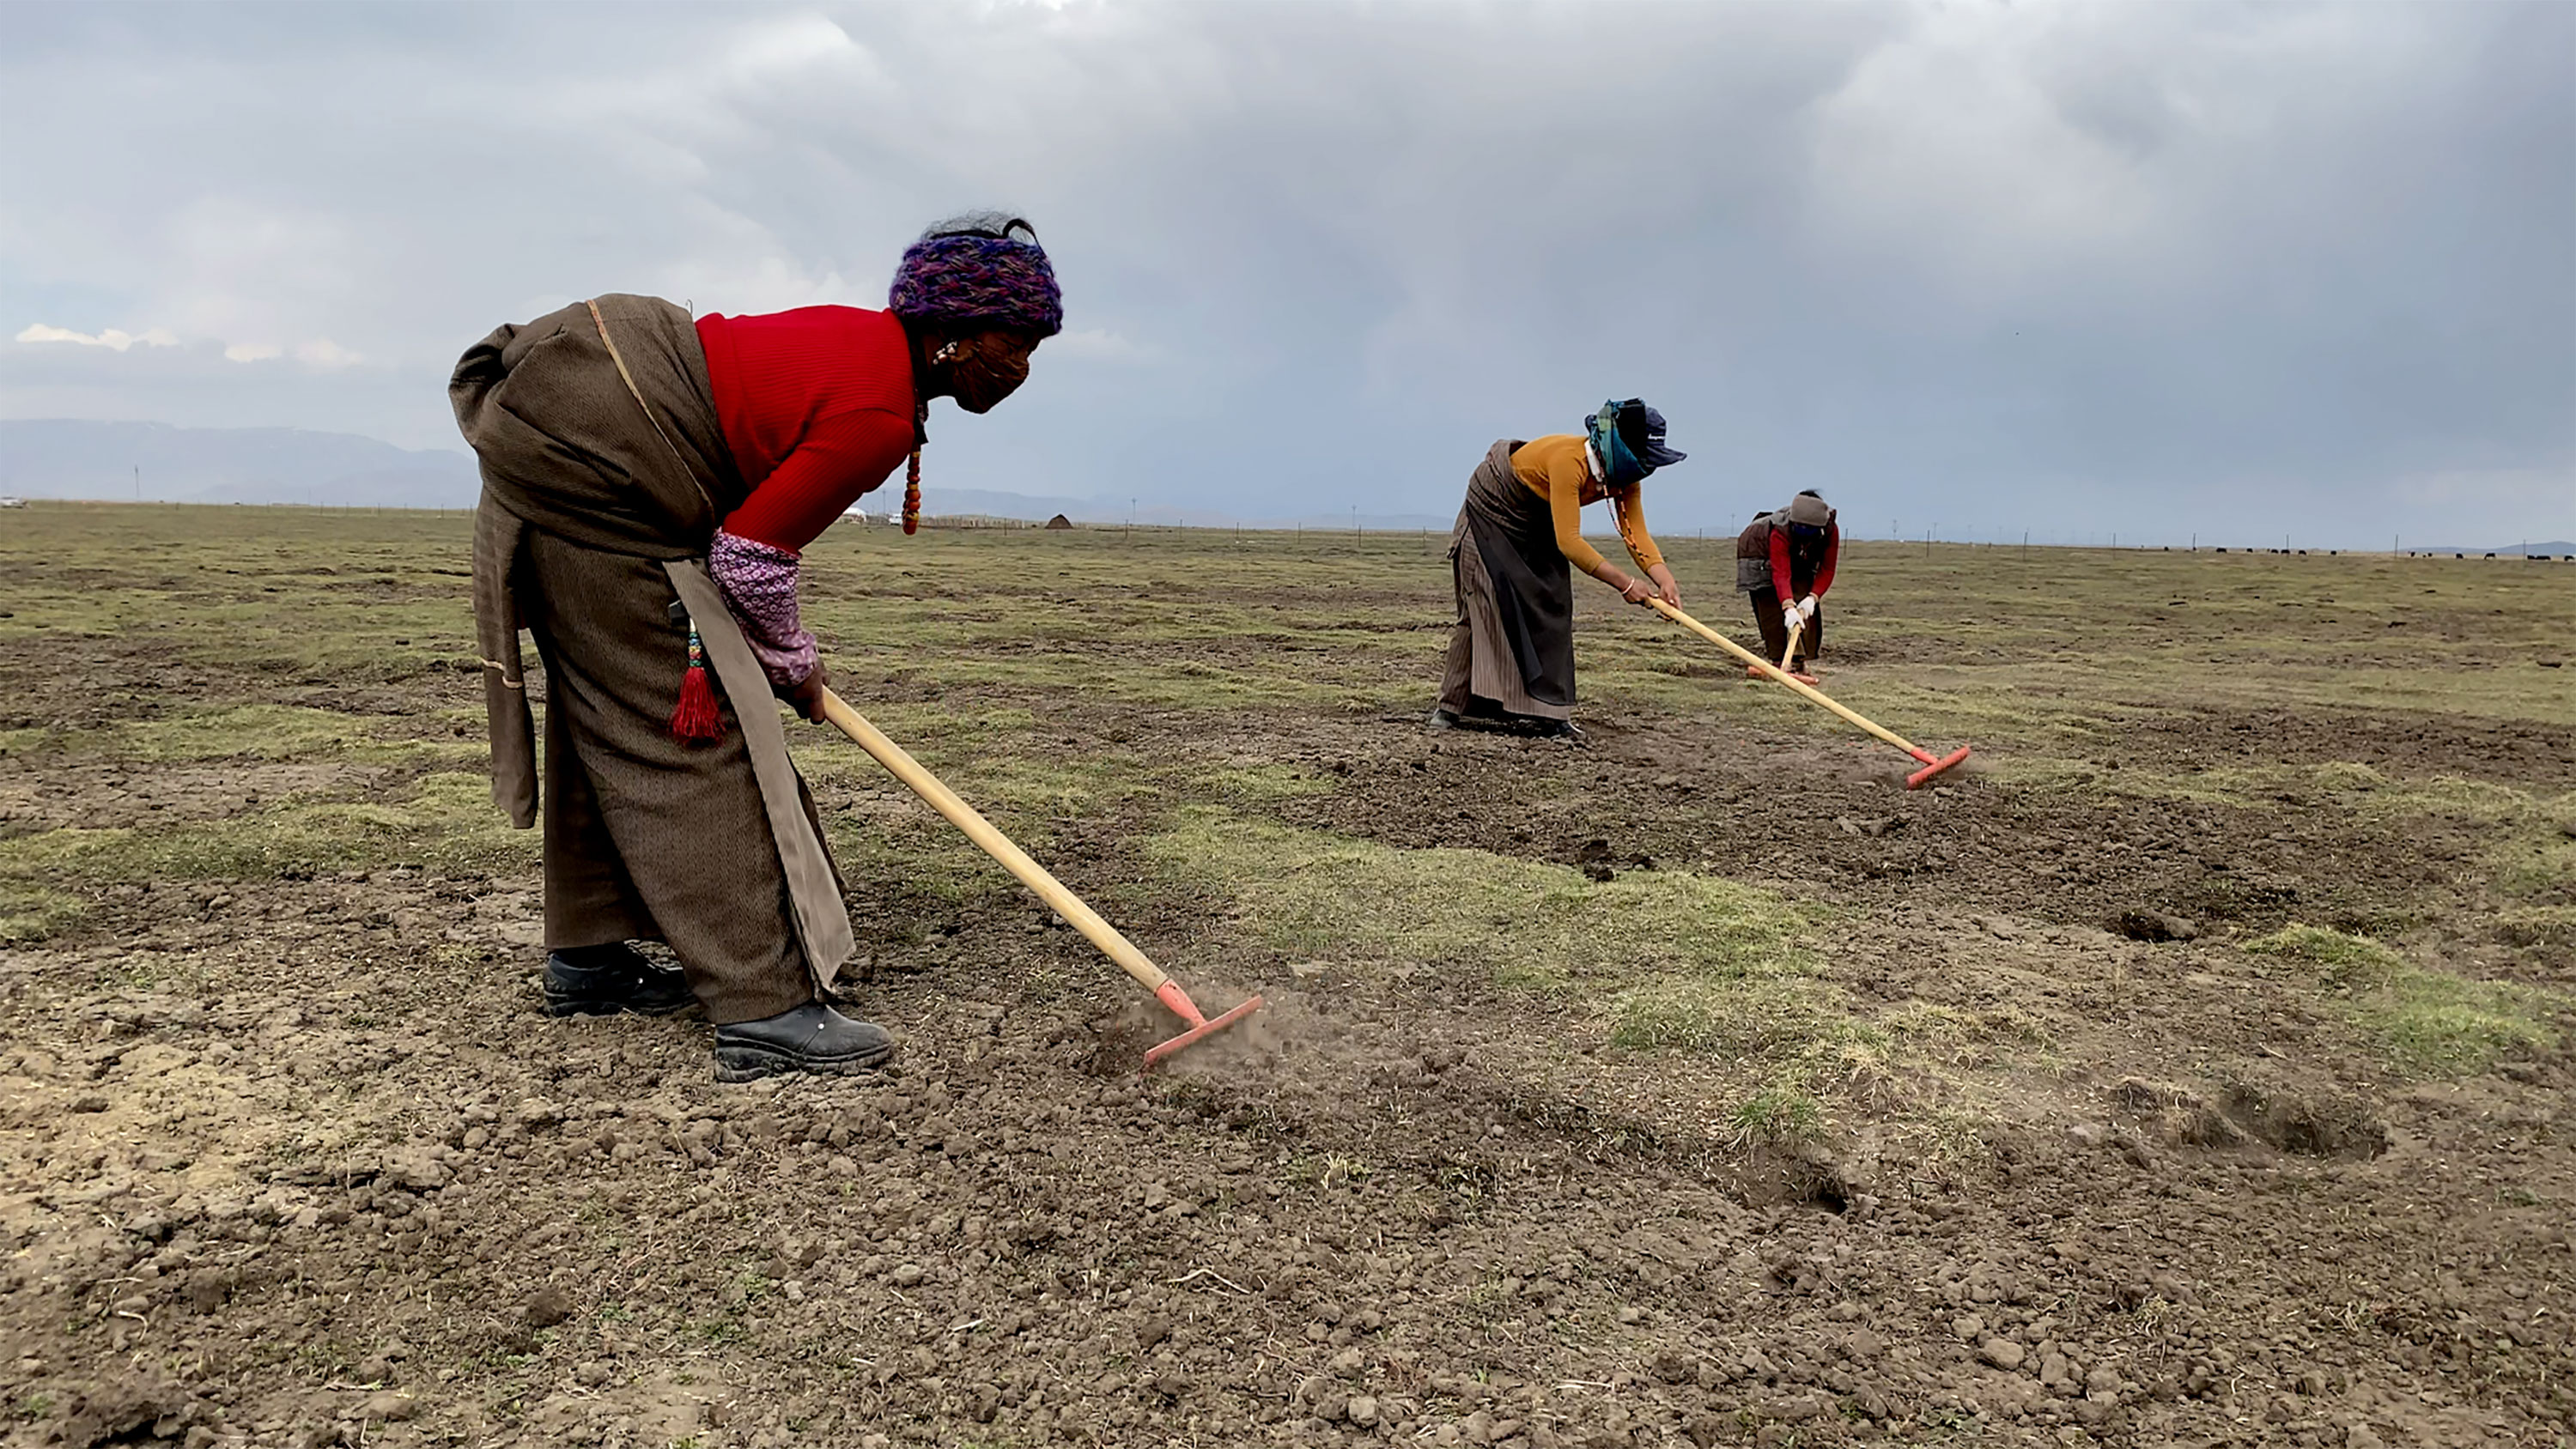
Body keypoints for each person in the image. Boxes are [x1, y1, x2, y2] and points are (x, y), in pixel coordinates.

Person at [449, 214, 1062, 1081]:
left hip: (584, 437)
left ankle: (587, 959)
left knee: (612, 702)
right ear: (954, 333)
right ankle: (763, 1006)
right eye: (1016, 339)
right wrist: (794, 665)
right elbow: (751, 556)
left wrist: (786, 656)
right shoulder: (879, 408)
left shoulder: (868, 349)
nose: (1022, 366)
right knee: (695, 728)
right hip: (596, 465)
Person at [1431, 400, 1686, 739]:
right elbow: (1569, 542)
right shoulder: (1571, 462)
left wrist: (1664, 579)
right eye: (1644, 461)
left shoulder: (1626, 480)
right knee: (1484, 602)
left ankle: (1549, 713)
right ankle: (1450, 708)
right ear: (1621, 451)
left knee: (1552, 601)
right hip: (1493, 509)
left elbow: (1635, 533)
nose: (1647, 470)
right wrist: (1626, 585)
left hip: (1535, 520)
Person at [1737, 489, 1839, 680]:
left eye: (1810, 531)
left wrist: (1813, 597)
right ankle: (1779, 661)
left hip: (1799, 557)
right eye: (1800, 529)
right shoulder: (1780, 530)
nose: (1804, 534)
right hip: (1757, 553)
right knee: (1771, 605)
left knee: (1804, 597)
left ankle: (1799, 662)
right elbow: (1780, 572)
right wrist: (1787, 605)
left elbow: (1827, 569)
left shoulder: (1830, 530)